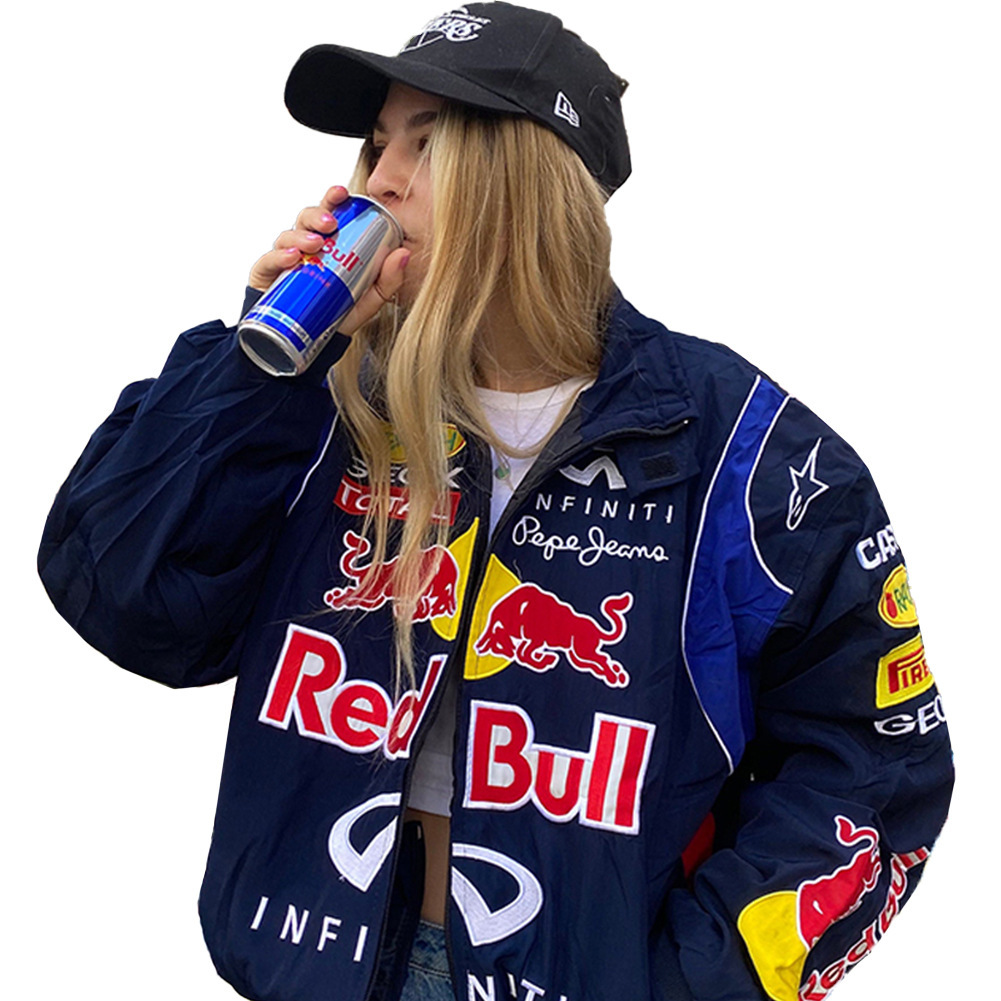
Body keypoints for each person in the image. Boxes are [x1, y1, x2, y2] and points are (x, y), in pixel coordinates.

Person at [37, 4, 953, 1001]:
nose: (380, 180)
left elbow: (874, 765)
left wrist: (695, 980)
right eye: (378, 144)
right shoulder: (325, 395)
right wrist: (251, 369)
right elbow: (124, 599)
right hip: (308, 960)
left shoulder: (745, 448)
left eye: (427, 144)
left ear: (528, 180)